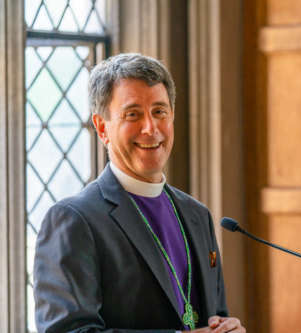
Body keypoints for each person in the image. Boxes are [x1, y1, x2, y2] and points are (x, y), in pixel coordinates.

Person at [34, 53, 245, 333]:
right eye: (132, 114)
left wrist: (226, 328)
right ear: (101, 128)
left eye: (160, 112)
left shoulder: (197, 215)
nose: (151, 128)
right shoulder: (73, 220)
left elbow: (212, 315)